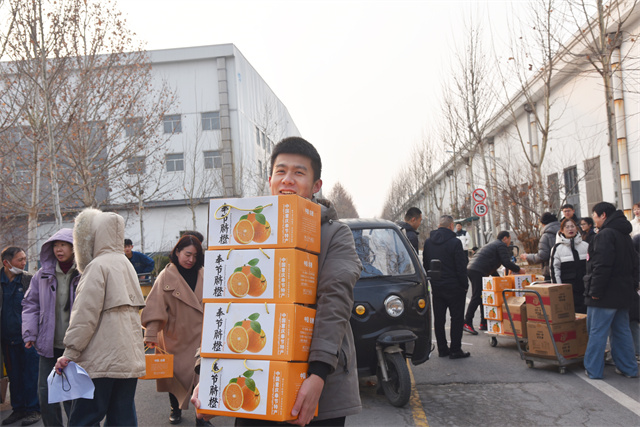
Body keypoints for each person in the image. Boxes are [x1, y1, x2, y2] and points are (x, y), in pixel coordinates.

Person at [192, 136, 363, 427]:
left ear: (316, 185)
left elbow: (334, 302)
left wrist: (318, 374)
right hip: (257, 383)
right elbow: (223, 303)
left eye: (299, 172)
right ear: (270, 179)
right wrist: (205, 372)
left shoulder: (335, 234)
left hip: (318, 387)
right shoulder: (246, 230)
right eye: (281, 171)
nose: (288, 180)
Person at [54, 208, 146, 426]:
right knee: (122, 417)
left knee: (84, 418)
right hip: (128, 360)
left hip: (101, 360)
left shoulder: (97, 266)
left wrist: (70, 352)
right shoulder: (126, 264)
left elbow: (84, 316)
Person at [141, 235, 206, 426]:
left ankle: (201, 416)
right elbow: (155, 307)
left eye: (195, 256)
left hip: (201, 336)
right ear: (177, 252)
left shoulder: (205, 273)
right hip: (175, 335)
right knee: (174, 375)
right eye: (187, 254)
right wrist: (151, 334)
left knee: (201, 377)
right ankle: (174, 408)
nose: (191, 260)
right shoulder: (166, 276)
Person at [22, 229, 80, 427]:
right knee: (46, 394)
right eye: (55, 246)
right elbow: (30, 304)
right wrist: (30, 333)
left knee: (74, 395)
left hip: (75, 346)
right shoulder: (42, 275)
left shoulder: (84, 273)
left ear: (74, 248)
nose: (58, 250)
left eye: (63, 245)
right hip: (48, 345)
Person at [583, 202, 639, 379]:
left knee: (597, 332)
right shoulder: (625, 234)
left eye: (595, 215)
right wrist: (633, 285)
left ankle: (593, 370)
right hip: (623, 292)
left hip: (604, 294)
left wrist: (595, 291)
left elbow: (601, 266)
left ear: (603, 215)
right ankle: (628, 368)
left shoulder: (605, 235)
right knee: (622, 331)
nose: (594, 219)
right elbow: (635, 263)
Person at [1, 247, 40, 426]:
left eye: (24, 259)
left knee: (31, 375)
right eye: (20, 260)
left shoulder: (28, 280)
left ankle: (34, 409)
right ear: (6, 263)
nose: (24, 263)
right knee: (14, 376)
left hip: (28, 339)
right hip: (6, 339)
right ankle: (18, 409)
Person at [423, 215, 469, 359]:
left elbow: (426, 264)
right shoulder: (455, 242)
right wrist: (464, 284)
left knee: (439, 319)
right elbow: (460, 266)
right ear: (451, 226)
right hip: (455, 286)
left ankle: (442, 349)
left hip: (437, 286)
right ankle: (455, 349)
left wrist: (433, 281)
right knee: (456, 319)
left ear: (439, 225)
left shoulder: (428, 242)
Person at [463, 231, 524, 335]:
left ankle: (484, 322)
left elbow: (490, 263)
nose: (509, 242)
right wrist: (519, 269)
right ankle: (467, 322)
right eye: (509, 239)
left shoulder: (494, 244)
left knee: (482, 296)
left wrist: (499, 280)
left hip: (474, 268)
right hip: (477, 270)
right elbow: (506, 262)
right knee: (477, 296)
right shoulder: (501, 245)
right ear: (505, 238)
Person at [549, 218, 588, 314]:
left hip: (585, 289)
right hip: (568, 290)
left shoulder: (585, 246)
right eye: (567, 227)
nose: (570, 229)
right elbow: (555, 270)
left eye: (572, 226)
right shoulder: (557, 248)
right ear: (562, 230)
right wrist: (558, 289)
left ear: (576, 228)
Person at [520, 212, 560, 280]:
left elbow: (542, 256)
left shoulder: (546, 236)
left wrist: (528, 256)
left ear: (543, 223)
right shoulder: (564, 231)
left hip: (551, 270)